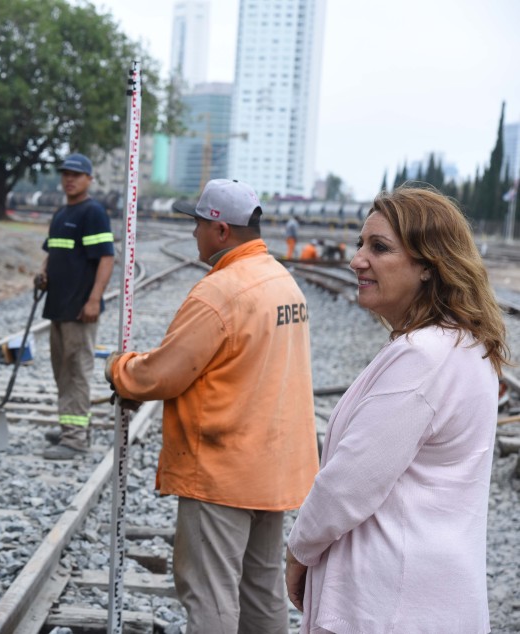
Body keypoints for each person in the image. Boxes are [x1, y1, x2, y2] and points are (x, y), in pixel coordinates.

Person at [285, 186, 508, 633]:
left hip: (384, 602)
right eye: (360, 244)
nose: (357, 260)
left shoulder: (423, 356)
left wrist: (298, 551)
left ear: (429, 266)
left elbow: (351, 481)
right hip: (425, 596)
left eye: (379, 247)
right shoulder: (463, 347)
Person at [106, 178, 319, 632]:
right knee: (261, 589)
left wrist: (118, 369)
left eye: (199, 223)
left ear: (222, 231)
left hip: (222, 471)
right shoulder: (283, 282)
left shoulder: (220, 292)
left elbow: (163, 374)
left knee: (210, 593)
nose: (193, 233)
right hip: (270, 467)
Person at [36, 153, 115, 460]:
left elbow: (106, 258)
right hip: (57, 305)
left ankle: (75, 438)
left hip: (80, 309)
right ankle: (71, 426)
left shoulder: (92, 212)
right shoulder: (61, 213)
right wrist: (43, 274)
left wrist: (95, 298)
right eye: (66, 174)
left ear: (89, 179)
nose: (70, 179)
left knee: (77, 371)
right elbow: (52, 252)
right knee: (62, 372)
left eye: (76, 175)